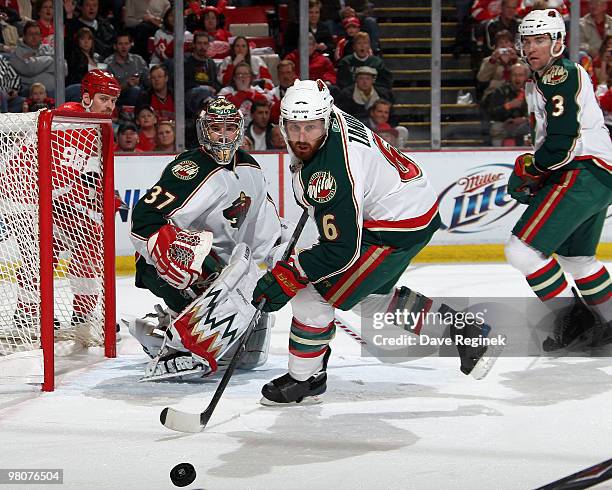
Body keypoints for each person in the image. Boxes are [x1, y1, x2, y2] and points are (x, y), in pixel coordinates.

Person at [251, 80, 502, 405]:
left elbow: (340, 251)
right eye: (294, 127)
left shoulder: (332, 171)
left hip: (392, 227)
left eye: (310, 127)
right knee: (367, 298)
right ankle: (464, 333)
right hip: (407, 206)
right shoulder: (326, 117)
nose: (301, 137)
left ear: (325, 120)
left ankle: (306, 378)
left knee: (314, 294)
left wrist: (292, 273)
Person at [129, 96, 282, 379]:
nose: (223, 136)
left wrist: (277, 254)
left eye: (229, 129)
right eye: (216, 129)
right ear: (204, 130)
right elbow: (144, 219)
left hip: (226, 271)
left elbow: (265, 224)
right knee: (198, 261)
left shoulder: (251, 168)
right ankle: (176, 340)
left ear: (239, 130)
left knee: (248, 354)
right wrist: (167, 251)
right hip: (182, 266)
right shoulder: (189, 169)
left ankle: (169, 328)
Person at [505, 9, 612, 352]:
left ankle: (575, 321)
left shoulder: (558, 75)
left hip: (580, 171)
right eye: (528, 40)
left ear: (557, 43)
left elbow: (562, 140)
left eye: (541, 39)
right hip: (596, 173)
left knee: (521, 250)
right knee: (578, 260)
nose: (533, 46)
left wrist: (534, 170)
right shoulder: (543, 79)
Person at [8, 70, 121, 333]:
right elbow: (53, 174)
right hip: (26, 199)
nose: (110, 106)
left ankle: (75, 316)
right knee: (44, 253)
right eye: (104, 99)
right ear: (86, 97)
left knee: (86, 246)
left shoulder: (99, 128)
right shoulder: (67, 117)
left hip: (50, 201)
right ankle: (28, 315)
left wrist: (105, 196)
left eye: (113, 101)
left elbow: (90, 174)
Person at [481, 62, 530, 146]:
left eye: (520, 75)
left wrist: (525, 119)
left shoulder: (532, 91)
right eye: (514, 75)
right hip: (504, 124)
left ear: (526, 77)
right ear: (510, 77)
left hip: (525, 124)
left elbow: (539, 113)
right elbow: (492, 112)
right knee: (496, 128)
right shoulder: (500, 91)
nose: (517, 78)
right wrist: (508, 106)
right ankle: (497, 155)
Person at [218, 61, 269, 127]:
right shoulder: (225, 92)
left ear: (250, 77)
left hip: (255, 128)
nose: (243, 77)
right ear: (234, 78)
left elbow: (265, 106)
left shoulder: (258, 91)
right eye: (239, 74)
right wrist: (241, 94)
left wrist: (248, 93)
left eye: (246, 74)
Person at [269, 60, 298, 124]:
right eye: (282, 73)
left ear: (294, 74)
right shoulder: (271, 95)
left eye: (288, 73)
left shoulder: (302, 93)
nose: (285, 76)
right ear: (278, 76)